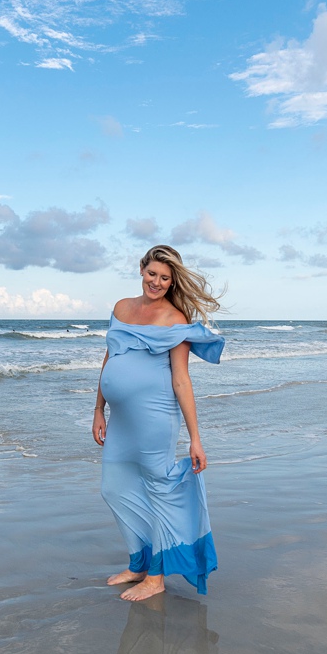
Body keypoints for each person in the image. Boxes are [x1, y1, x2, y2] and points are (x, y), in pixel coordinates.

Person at [93, 245, 224, 601]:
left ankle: (157, 576)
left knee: (159, 492)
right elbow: (110, 357)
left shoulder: (175, 320)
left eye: (165, 278)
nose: (157, 282)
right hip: (120, 419)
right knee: (114, 488)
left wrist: (196, 438)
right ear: (141, 270)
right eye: (152, 274)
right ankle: (139, 563)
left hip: (155, 417)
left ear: (172, 281)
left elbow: (181, 379)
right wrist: (98, 409)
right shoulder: (121, 308)